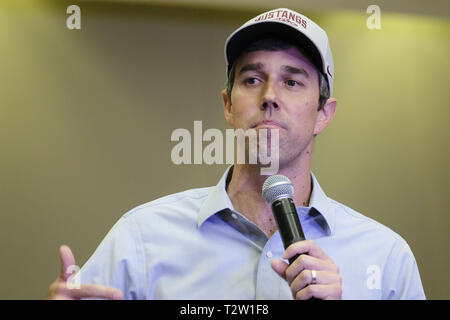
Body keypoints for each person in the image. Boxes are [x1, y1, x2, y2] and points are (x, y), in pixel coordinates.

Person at [46, 7, 425, 300]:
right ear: (228, 105)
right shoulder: (142, 239)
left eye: (292, 81)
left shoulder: (387, 258)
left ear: (323, 113)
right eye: (252, 79)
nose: (270, 96)